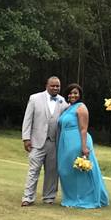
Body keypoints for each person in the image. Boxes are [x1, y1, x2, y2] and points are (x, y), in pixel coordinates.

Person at [55, 84, 109, 208]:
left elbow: (84, 129)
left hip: (78, 141)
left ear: (80, 95)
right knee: (66, 170)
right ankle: (72, 196)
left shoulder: (81, 107)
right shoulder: (68, 108)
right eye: (70, 93)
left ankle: (85, 198)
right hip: (65, 143)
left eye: (75, 93)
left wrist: (84, 147)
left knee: (79, 171)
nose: (72, 95)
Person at [20, 76, 68, 206]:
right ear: (47, 85)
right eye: (53, 85)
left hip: (54, 142)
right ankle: (28, 197)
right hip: (36, 141)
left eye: (57, 86)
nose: (55, 88)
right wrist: (26, 138)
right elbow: (27, 119)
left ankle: (49, 197)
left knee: (52, 172)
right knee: (33, 170)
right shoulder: (34, 98)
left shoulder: (63, 101)